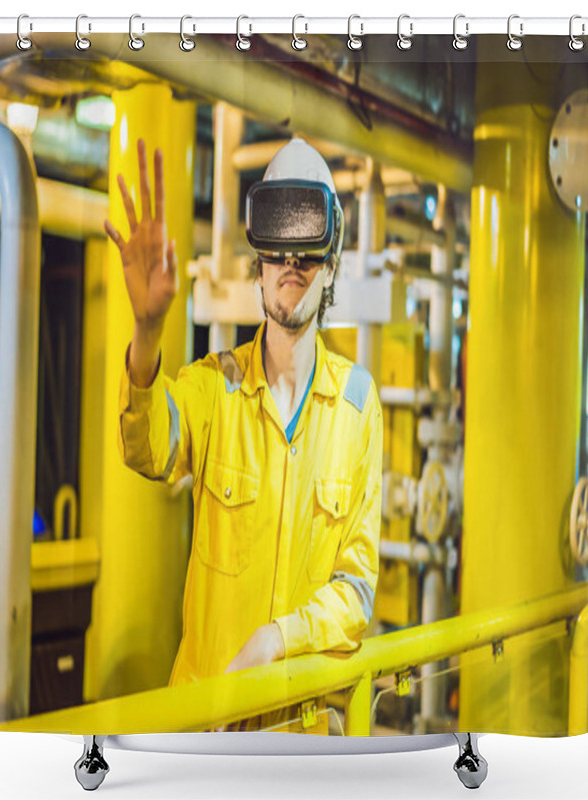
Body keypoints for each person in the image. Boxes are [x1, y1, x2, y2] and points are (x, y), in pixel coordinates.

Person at [104, 137, 383, 733]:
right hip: (209, 731)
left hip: (300, 739)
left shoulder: (359, 407)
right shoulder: (213, 389)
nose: (291, 263)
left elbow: (357, 594)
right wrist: (148, 330)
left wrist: (278, 639)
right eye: (276, 249)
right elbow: (146, 447)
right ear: (258, 265)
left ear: (330, 259)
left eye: (306, 249)